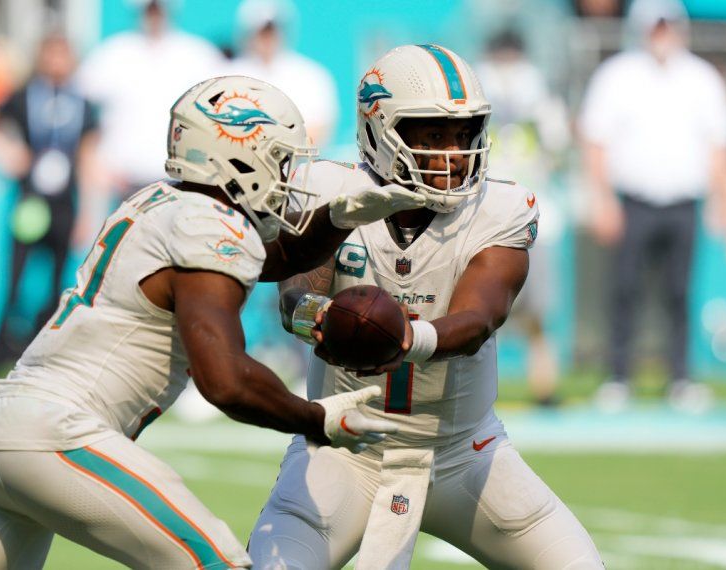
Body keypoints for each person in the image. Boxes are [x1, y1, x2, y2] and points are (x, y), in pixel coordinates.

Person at [0, 76, 427, 569]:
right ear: (238, 155)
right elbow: (225, 381)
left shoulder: (161, 202)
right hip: (55, 433)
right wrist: (318, 419)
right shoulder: (211, 226)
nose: (287, 176)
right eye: (280, 159)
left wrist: (337, 218)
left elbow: (270, 261)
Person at [248, 45, 603, 569]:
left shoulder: (501, 209)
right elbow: (294, 293)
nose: (453, 153)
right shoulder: (329, 188)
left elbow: (479, 318)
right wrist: (317, 317)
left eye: (464, 134)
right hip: (346, 451)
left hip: (463, 454)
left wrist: (407, 337)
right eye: (433, 135)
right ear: (379, 130)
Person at [579, 0, 726, 411]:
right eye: (655, 26)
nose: (661, 34)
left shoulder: (701, 78)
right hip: (634, 201)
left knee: (679, 292)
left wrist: (719, 198)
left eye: (668, 26)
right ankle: (618, 377)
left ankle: (681, 377)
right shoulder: (618, 75)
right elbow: (596, 141)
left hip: (685, 201)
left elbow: (720, 143)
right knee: (625, 289)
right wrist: (602, 199)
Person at [0, 32, 99, 372]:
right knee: (14, 278)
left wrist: (88, 211)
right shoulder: (24, 96)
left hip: (64, 204)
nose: (57, 62)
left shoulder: (82, 104)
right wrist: (6, 151)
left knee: (58, 281)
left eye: (63, 55)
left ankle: (42, 349)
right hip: (29, 200)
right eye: (51, 54)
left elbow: (88, 157)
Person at [475, 30, 572, 406]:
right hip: (487, 220)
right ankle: (477, 393)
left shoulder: (541, 100)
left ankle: (544, 388)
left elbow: (558, 147)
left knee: (537, 315)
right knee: (481, 310)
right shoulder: (478, 101)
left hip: (536, 218)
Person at [76, 0, 224, 198]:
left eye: (158, 8)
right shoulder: (111, 53)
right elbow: (80, 112)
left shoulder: (199, 55)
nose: (154, 14)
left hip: (181, 182)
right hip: (121, 182)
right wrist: (92, 162)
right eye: (150, 8)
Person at [223, 0, 338, 147]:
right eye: (262, 31)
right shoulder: (226, 74)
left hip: (298, 166)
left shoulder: (312, 76)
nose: (268, 38)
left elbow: (318, 130)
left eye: (272, 31)